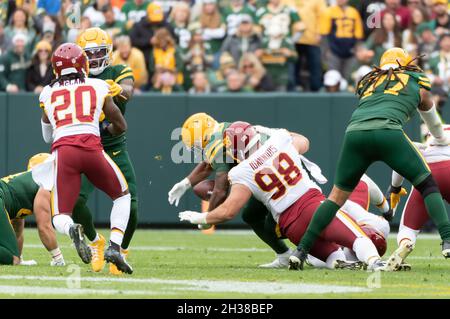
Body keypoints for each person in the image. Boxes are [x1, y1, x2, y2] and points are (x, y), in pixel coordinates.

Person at [289, 47, 450, 271]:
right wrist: (441, 139)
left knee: (335, 198)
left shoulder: (369, 82)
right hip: (388, 132)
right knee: (428, 185)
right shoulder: (415, 82)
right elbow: (434, 124)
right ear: (406, 64)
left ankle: (301, 250)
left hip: (354, 134)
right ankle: (447, 239)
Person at [178, 122, 387, 271]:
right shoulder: (279, 140)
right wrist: (275, 133)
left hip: (289, 224)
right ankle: (375, 263)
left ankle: (337, 262)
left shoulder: (240, 173)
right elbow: (304, 141)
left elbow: (228, 211)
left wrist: (200, 218)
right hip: (312, 204)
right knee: (358, 237)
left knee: (332, 256)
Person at [37, 43, 132, 274]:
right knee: (122, 196)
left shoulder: (47, 93)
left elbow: (46, 136)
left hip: (64, 152)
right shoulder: (99, 86)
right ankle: (114, 246)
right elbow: (120, 125)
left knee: (60, 214)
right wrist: (102, 129)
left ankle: (72, 229)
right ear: (83, 64)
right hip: (92, 147)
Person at [169, 114, 294, 268]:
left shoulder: (216, 145)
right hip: (276, 169)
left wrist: (207, 218)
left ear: (203, 134)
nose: (195, 148)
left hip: (273, 177)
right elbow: (208, 165)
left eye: (195, 144)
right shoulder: (221, 129)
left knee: (276, 220)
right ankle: (286, 255)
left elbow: (220, 191)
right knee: (254, 215)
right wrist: (186, 183)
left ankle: (310, 250)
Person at [76, 27, 138, 275]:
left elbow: (129, 90)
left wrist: (118, 90)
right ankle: (95, 242)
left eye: (98, 52)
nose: (93, 59)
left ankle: (120, 249)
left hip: (113, 146)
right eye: (88, 54)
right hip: (86, 144)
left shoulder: (119, 70)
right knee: (76, 201)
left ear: (109, 52)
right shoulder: (76, 77)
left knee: (131, 204)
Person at [388, 125, 450, 266]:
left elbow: (400, 162)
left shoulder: (422, 148)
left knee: (408, 228)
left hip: (428, 174)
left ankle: (406, 244)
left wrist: (395, 188)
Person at [0, 153, 65, 266]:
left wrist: (19, 258)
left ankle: (18, 258)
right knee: (11, 259)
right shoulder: (45, 185)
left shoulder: (22, 184)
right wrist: (58, 258)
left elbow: (17, 226)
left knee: (15, 258)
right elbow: (44, 227)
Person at [320, 0, 364, 81]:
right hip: (334, 50)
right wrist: (326, 51)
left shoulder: (353, 12)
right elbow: (324, 34)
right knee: (333, 77)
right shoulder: (329, 11)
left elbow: (358, 34)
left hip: (351, 51)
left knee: (349, 77)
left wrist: (358, 49)